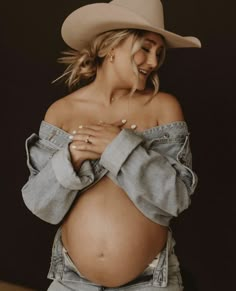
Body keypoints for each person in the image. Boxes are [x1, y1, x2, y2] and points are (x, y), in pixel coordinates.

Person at [22, 0, 201, 290]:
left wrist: (119, 148)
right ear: (108, 48)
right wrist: (74, 155)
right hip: (70, 282)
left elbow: (177, 199)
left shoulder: (163, 108)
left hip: (150, 282)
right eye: (145, 48)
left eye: (159, 52)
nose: (154, 62)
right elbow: (42, 206)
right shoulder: (61, 112)